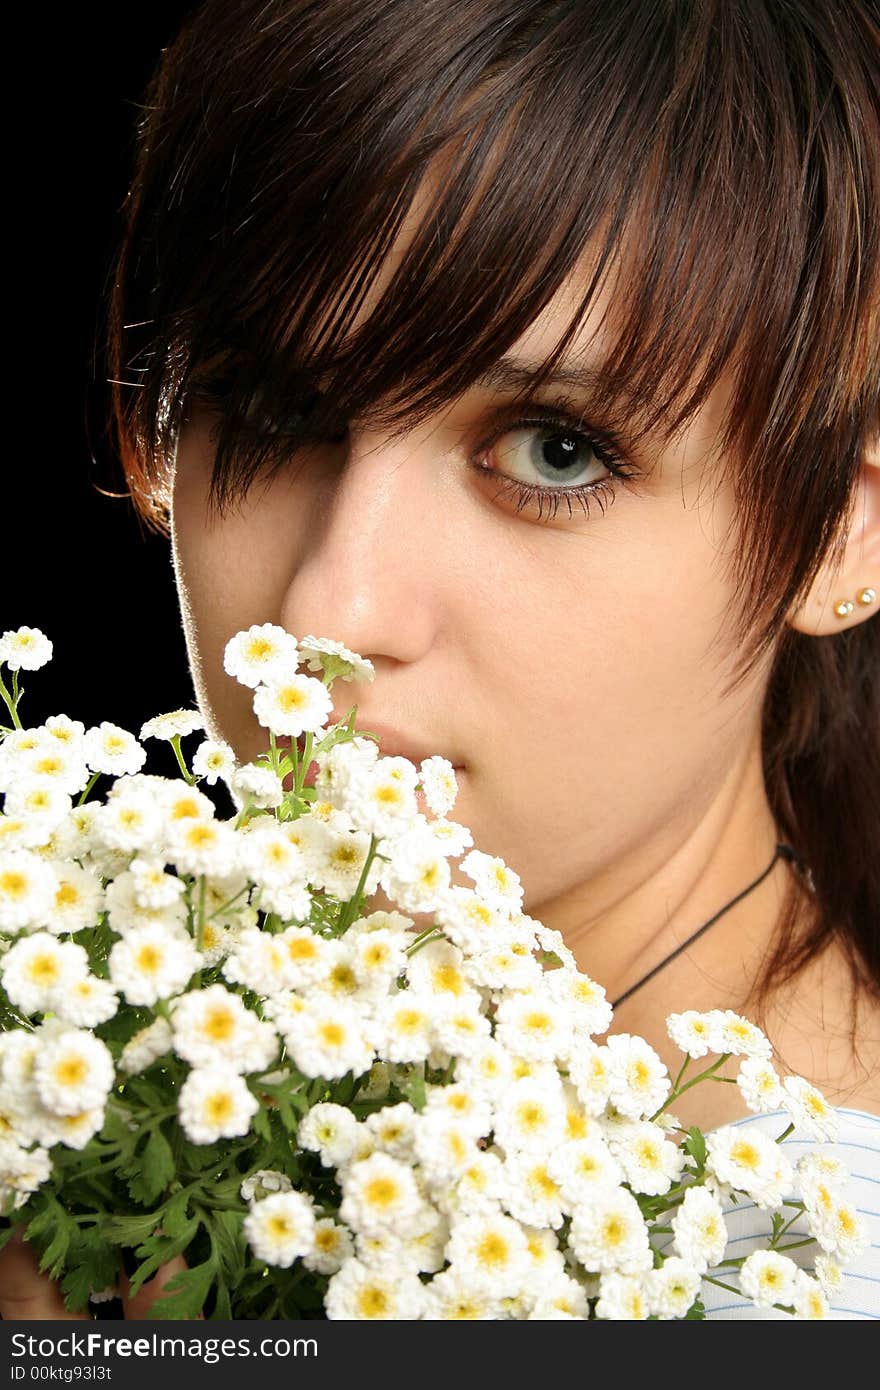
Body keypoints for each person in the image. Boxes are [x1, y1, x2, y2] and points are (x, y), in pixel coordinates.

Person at [1, 0, 878, 1320]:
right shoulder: (109, 1088)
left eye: (552, 450)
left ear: (842, 531)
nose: (325, 607)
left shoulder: (804, 1283)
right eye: (272, 406)